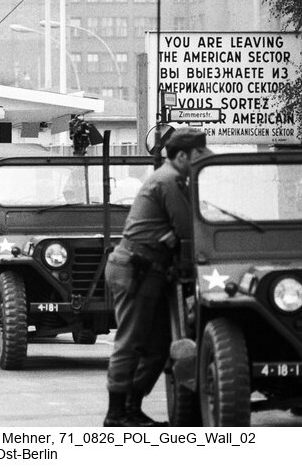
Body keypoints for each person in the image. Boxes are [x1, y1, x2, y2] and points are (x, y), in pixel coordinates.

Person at [103, 128, 211, 427]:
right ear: (181, 157)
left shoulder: (175, 178)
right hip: (136, 269)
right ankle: (116, 414)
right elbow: (188, 228)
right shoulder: (169, 180)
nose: (203, 160)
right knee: (131, 341)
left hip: (149, 270)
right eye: (198, 155)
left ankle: (131, 407)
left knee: (160, 344)